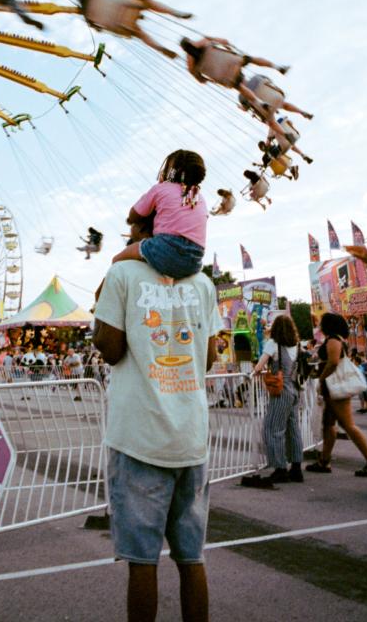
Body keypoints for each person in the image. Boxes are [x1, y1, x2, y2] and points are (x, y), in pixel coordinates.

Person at [93, 254, 222, 622]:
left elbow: (109, 347)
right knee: (192, 558)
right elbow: (209, 356)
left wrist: (116, 262)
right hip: (190, 438)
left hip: (140, 437)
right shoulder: (203, 282)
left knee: (142, 562)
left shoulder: (122, 273)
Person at [112, 150, 207, 279]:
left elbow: (134, 216)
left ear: (171, 170)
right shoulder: (199, 198)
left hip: (164, 250)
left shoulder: (160, 188)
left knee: (117, 260)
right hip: (194, 261)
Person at [306, 312, 367, 477]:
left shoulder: (333, 340)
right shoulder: (336, 339)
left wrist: (322, 378)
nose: (320, 326)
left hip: (335, 388)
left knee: (348, 425)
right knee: (329, 425)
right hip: (332, 389)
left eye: (322, 323)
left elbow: (333, 362)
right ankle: (324, 460)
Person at [78, 0, 192, 59]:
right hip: (125, 5)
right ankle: (174, 12)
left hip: (119, 24)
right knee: (147, 3)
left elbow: (97, 29)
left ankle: (160, 48)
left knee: (140, 34)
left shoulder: (87, 16)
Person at [252, 315, 304, 484]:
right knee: (293, 428)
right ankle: (296, 468)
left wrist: (254, 373)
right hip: (295, 390)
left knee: (272, 428)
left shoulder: (273, 344)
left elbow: (259, 366)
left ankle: (279, 468)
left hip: (281, 391)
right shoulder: (297, 345)